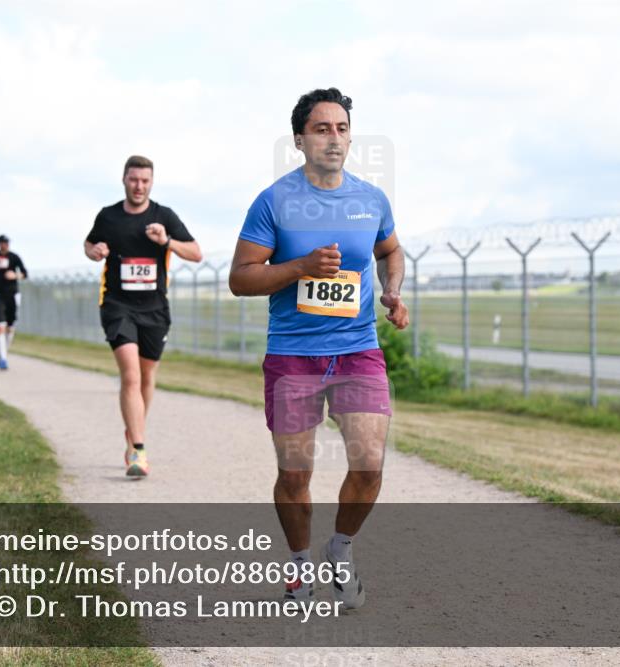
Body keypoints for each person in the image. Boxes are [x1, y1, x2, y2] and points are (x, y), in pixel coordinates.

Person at [228, 88, 409, 609]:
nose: (334, 138)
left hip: (358, 350)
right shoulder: (274, 201)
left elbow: (390, 251)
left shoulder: (371, 199)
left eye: (342, 128)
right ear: (300, 139)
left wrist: (392, 290)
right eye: (323, 129)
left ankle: (342, 548)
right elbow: (241, 278)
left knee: (370, 464)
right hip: (294, 355)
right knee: (294, 474)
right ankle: (299, 564)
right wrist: (300, 268)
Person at [84, 155, 203, 477]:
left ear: (152, 182)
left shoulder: (164, 216)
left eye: (145, 181)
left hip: (154, 309)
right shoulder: (108, 217)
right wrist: (94, 251)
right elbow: (90, 243)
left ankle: (133, 432)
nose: (139, 186)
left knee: (147, 378)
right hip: (117, 306)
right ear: (124, 179)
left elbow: (195, 252)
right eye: (134, 180)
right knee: (131, 376)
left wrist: (167, 241)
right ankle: (138, 450)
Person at [0, 235, 28, 370]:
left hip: (12, 295)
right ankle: (2, 357)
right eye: (2, 243)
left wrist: (15, 275)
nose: (4, 245)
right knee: (0, 326)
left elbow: (25, 273)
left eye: (6, 243)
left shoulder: (14, 257)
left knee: (10, 327)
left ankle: (4, 352)